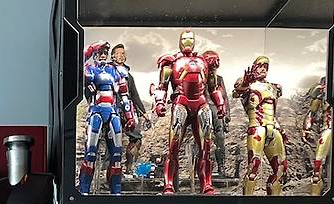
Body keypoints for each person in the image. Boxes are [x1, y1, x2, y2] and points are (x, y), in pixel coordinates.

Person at [153, 29, 226, 194]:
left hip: (201, 102)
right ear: (180, 41)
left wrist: (220, 104)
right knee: (174, 145)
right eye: (184, 38)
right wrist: (159, 102)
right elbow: (162, 86)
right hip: (181, 101)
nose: (188, 42)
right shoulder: (171, 62)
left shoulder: (204, 61)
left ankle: (206, 183)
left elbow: (213, 87)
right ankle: (169, 183)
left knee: (206, 145)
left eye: (190, 39)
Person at [79, 41, 135, 194]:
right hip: (96, 111)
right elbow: (77, 63)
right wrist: (91, 48)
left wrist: (129, 116)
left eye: (105, 52)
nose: (103, 55)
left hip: (112, 112)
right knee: (90, 153)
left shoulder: (115, 71)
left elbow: (124, 95)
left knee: (116, 154)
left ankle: (115, 191)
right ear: (95, 54)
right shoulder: (90, 69)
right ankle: (84, 189)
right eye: (100, 52)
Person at [233, 55, 287, 195]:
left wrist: (280, 128)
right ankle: (248, 202)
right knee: (254, 166)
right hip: (257, 128)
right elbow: (237, 91)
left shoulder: (274, 87)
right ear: (254, 67)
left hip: (273, 129)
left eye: (266, 67)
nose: (263, 69)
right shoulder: (247, 84)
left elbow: (272, 110)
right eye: (260, 66)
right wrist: (246, 82)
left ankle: (273, 203)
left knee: (280, 168)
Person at [111, 43, 149, 176]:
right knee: (113, 140)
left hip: (128, 111)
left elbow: (135, 94)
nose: (121, 55)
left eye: (123, 53)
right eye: (118, 53)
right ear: (113, 56)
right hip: (112, 110)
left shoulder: (129, 76)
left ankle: (128, 167)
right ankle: (109, 171)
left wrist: (144, 112)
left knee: (136, 138)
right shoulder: (108, 71)